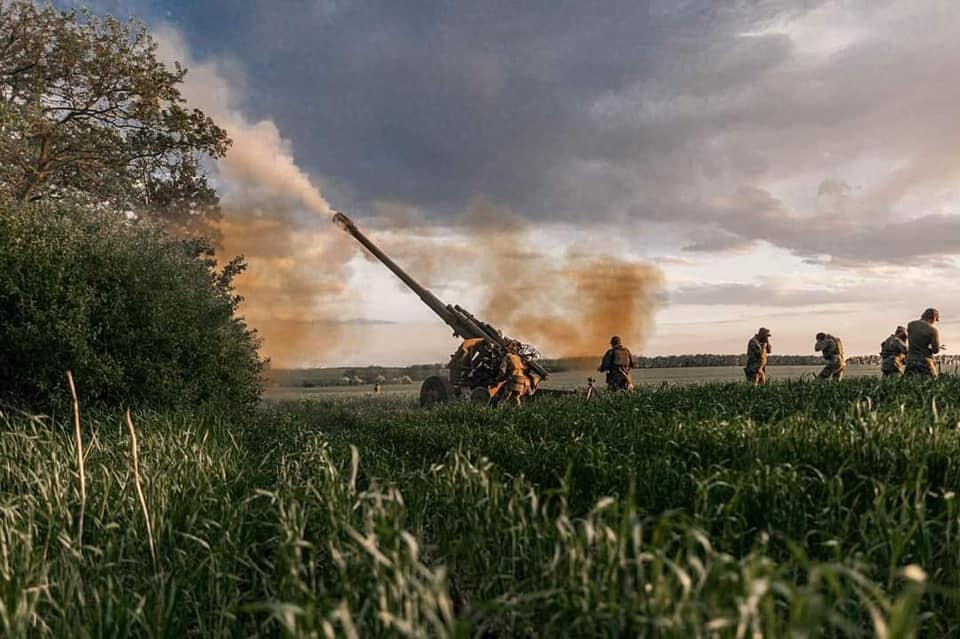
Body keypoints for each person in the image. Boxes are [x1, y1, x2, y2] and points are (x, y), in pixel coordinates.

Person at [906, 308, 943, 377]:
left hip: (910, 361)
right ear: (933, 318)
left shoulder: (910, 325)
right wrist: (937, 347)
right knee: (932, 384)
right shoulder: (932, 330)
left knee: (910, 385)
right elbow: (936, 351)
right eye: (935, 320)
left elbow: (915, 340)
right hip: (924, 362)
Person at [498, 340, 532, 405]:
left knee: (505, 397)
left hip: (513, 379)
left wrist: (498, 379)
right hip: (521, 380)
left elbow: (502, 370)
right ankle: (519, 410)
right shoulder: (518, 358)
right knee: (516, 397)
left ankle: (499, 409)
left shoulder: (508, 356)